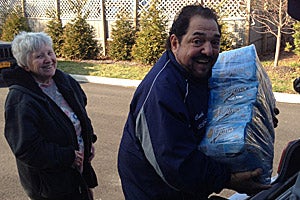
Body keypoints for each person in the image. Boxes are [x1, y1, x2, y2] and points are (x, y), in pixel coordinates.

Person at [117, 4, 275, 200]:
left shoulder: (200, 74)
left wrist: (259, 117)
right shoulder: (162, 92)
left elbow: (228, 110)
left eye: (215, 42)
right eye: (197, 41)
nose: (208, 51)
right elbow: (178, 165)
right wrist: (228, 179)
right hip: (158, 192)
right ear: (175, 43)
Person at [2, 31, 98, 200]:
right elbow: (26, 148)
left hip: (78, 172)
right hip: (52, 185)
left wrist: (89, 140)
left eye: (50, 52)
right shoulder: (20, 99)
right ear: (25, 65)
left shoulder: (65, 81)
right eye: (39, 56)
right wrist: (67, 156)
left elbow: (81, 114)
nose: (48, 59)